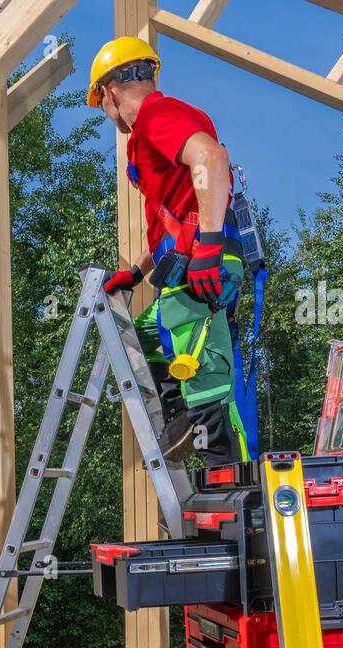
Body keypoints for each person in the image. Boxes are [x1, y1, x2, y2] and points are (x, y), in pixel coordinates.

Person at [89, 36, 253, 465]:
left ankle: (227, 473)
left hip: (204, 254)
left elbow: (213, 159)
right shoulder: (150, 135)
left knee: (198, 360)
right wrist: (140, 271)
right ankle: (182, 422)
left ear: (107, 92)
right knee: (143, 336)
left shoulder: (154, 116)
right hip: (188, 256)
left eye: (101, 105)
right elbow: (170, 219)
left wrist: (211, 246)